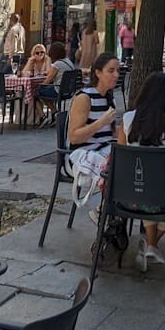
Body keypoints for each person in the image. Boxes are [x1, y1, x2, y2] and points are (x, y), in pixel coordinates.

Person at [117, 72, 165, 273]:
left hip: (127, 195)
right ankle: (151, 245)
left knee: (145, 189)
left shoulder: (127, 118)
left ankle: (149, 246)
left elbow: (123, 154)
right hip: (162, 197)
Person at [66, 53, 125, 246]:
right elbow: (74, 136)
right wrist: (101, 122)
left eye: (118, 70)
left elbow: (112, 135)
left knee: (131, 163)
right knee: (116, 169)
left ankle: (111, 215)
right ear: (98, 73)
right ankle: (106, 214)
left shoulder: (109, 98)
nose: (116, 75)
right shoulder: (84, 97)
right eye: (111, 70)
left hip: (104, 150)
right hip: (82, 154)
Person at [38, 42, 78, 124]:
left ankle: (48, 114)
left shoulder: (57, 64)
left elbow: (47, 81)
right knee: (45, 92)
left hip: (58, 90)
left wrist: (39, 86)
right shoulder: (68, 62)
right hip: (68, 91)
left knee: (37, 92)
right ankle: (54, 113)